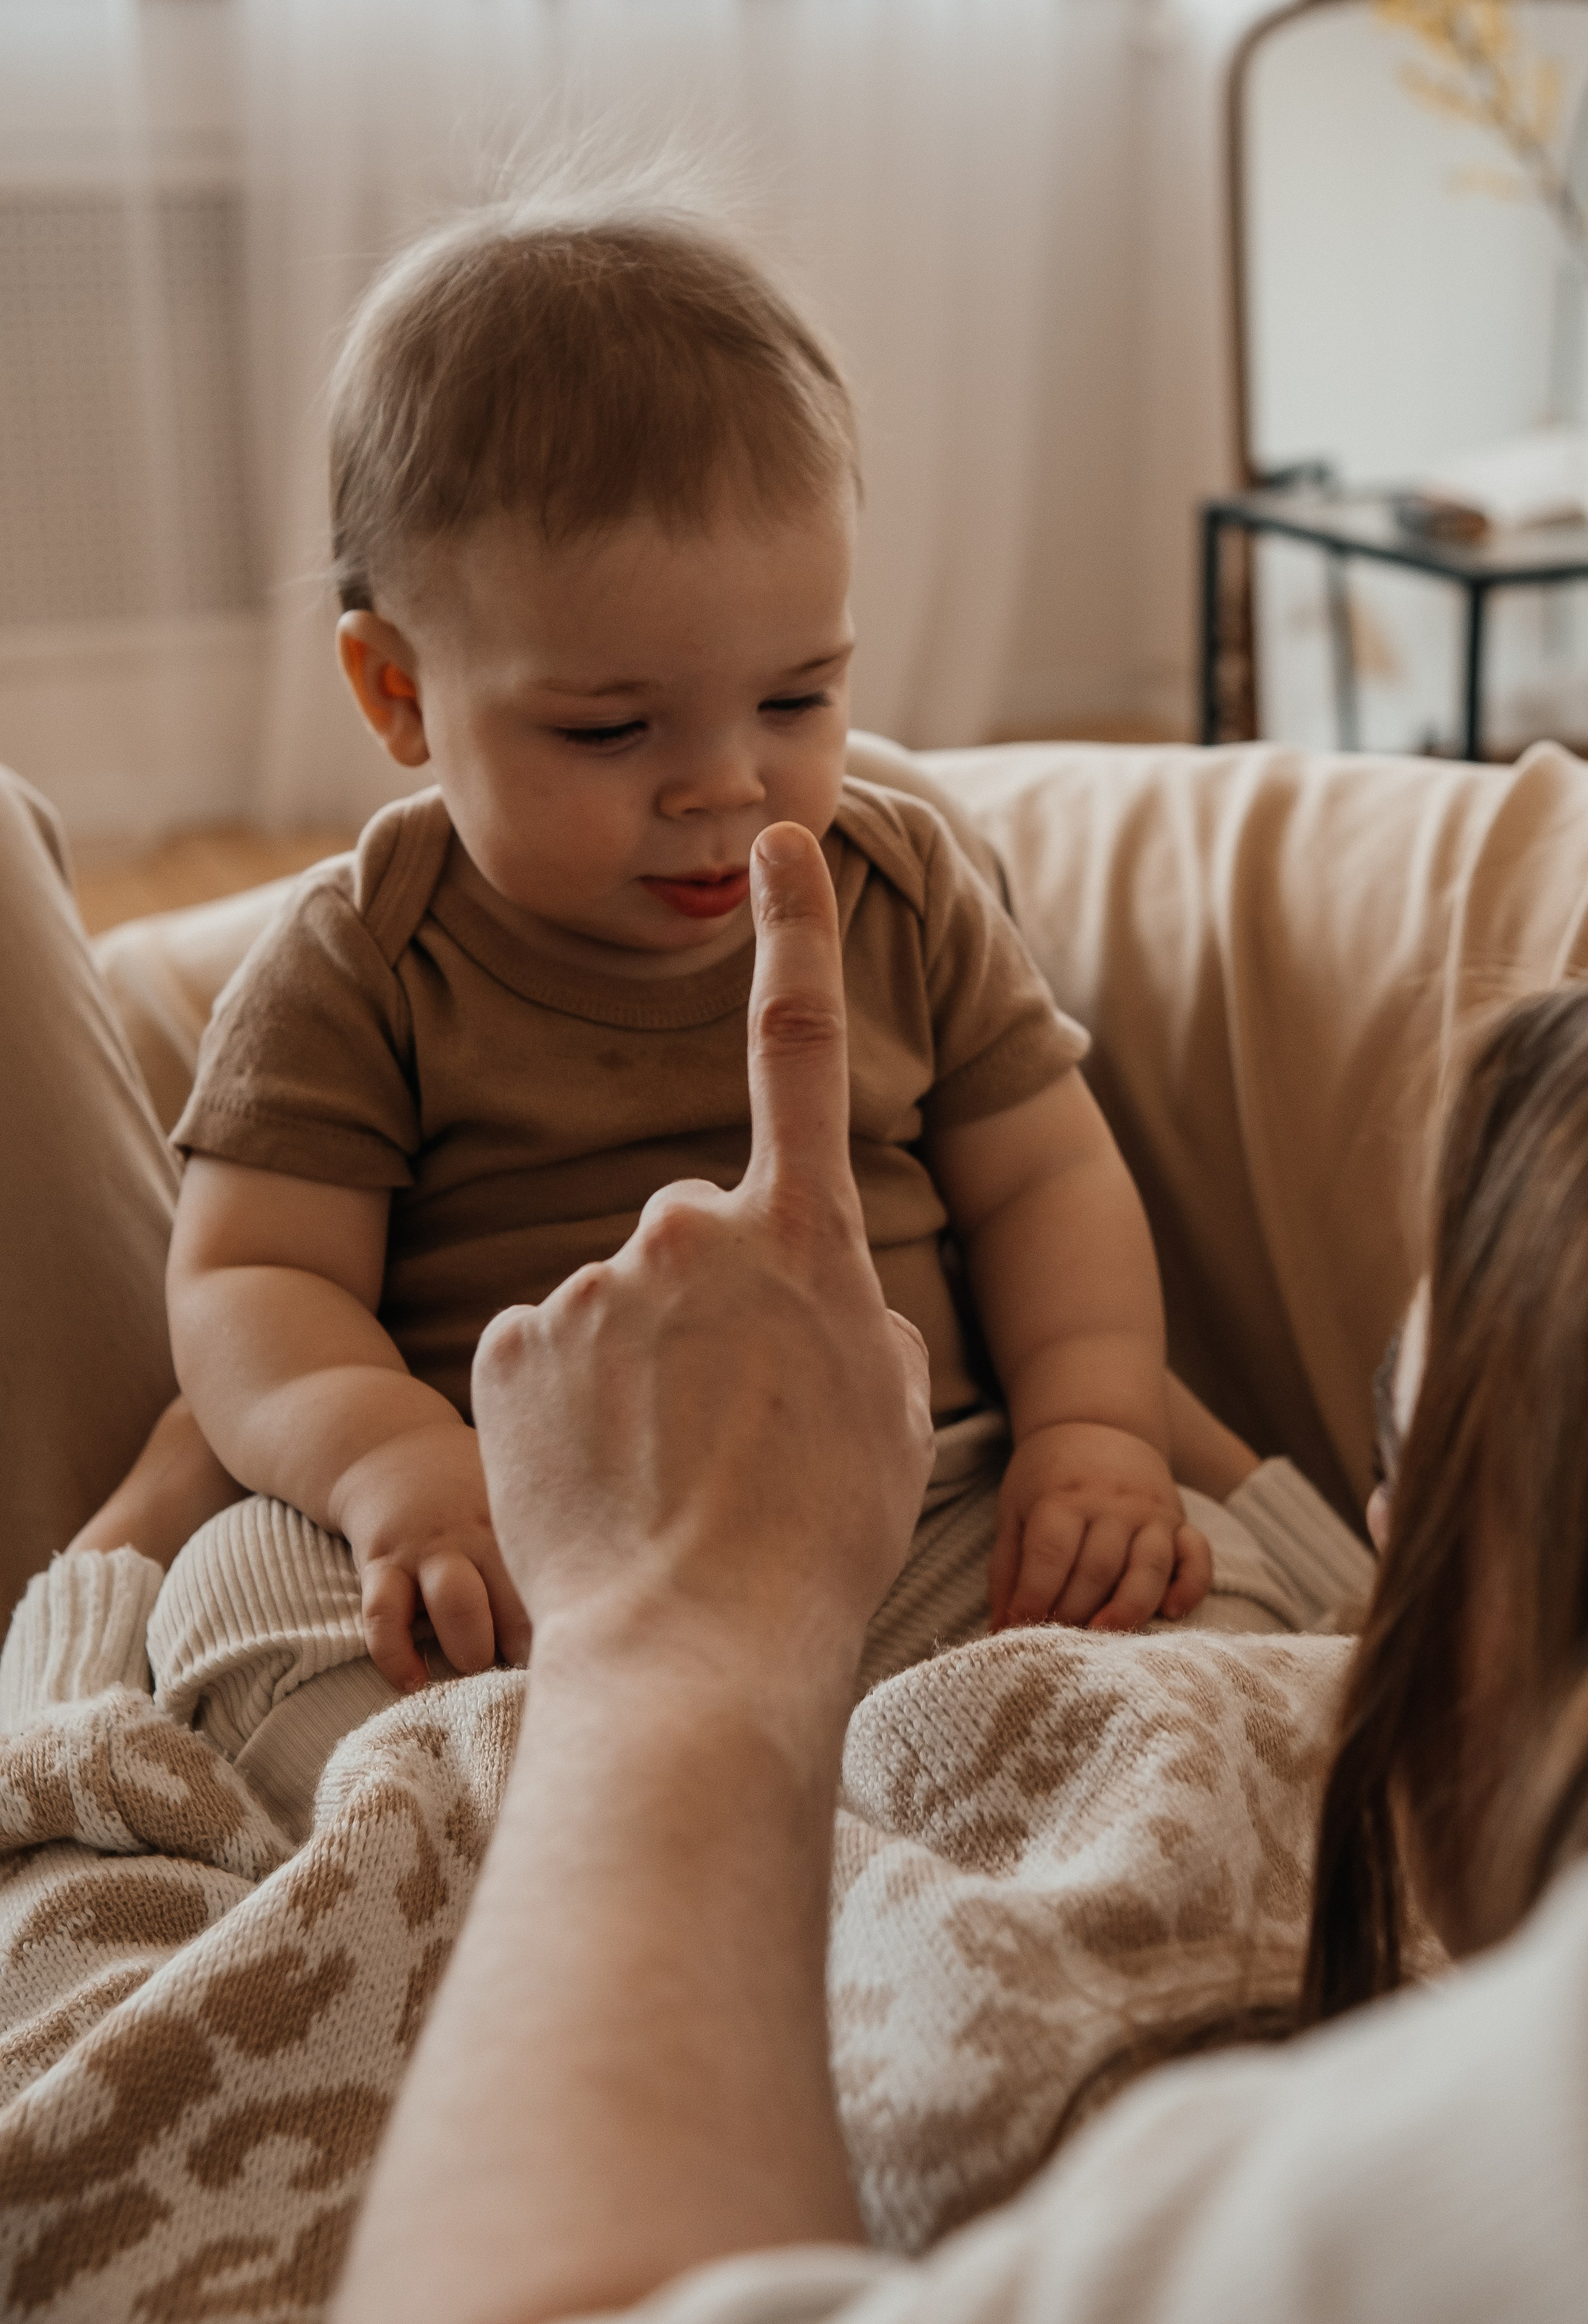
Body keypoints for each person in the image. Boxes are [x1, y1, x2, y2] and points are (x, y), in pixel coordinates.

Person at [332, 824, 1588, 2324]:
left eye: (1423, 1457)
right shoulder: (365, 954)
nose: (1390, 1531)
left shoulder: (1453, 2164)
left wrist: (663, 1619)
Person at [158, 185, 1216, 1699]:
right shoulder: (363, 963)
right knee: (244, 1636)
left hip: (912, 1507)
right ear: (395, 693)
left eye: (797, 701)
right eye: (610, 727)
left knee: (1183, 1644)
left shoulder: (899, 891)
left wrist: (1094, 1426)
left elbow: (1047, 1175)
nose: (724, 784)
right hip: (507, 1558)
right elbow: (249, 1279)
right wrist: (395, 1462)